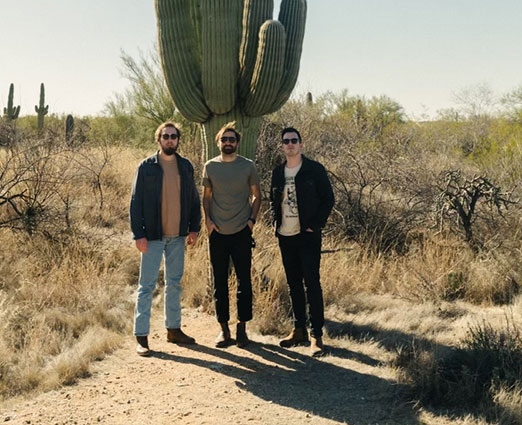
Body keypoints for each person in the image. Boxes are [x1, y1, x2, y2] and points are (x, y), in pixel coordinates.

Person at [130, 122, 201, 356]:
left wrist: (194, 228)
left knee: (174, 283)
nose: (170, 140)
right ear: (158, 139)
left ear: (178, 139)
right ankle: (141, 337)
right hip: (152, 236)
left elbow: (193, 199)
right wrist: (138, 235)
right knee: (146, 286)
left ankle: (174, 330)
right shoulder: (147, 167)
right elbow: (135, 202)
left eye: (173, 136)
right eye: (166, 136)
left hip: (178, 236)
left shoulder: (185, 166)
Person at [270, 127, 334, 356]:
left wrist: (314, 225)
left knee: (312, 284)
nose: (290, 144)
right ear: (282, 146)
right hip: (285, 235)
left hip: (307, 236)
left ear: (301, 144)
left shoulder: (313, 169)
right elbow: (273, 200)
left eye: (294, 140)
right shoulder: (278, 172)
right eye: (286, 141)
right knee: (293, 284)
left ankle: (317, 336)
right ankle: (299, 330)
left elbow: (328, 199)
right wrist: (274, 223)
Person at [202, 122, 261, 348]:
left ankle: (242, 328)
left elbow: (257, 196)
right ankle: (224, 330)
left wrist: (251, 222)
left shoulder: (248, 166)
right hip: (217, 232)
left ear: (237, 143)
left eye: (232, 140)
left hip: (241, 232)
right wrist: (208, 220)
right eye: (224, 139)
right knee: (220, 282)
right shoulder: (210, 166)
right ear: (218, 142)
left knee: (244, 281)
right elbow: (206, 197)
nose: (228, 143)